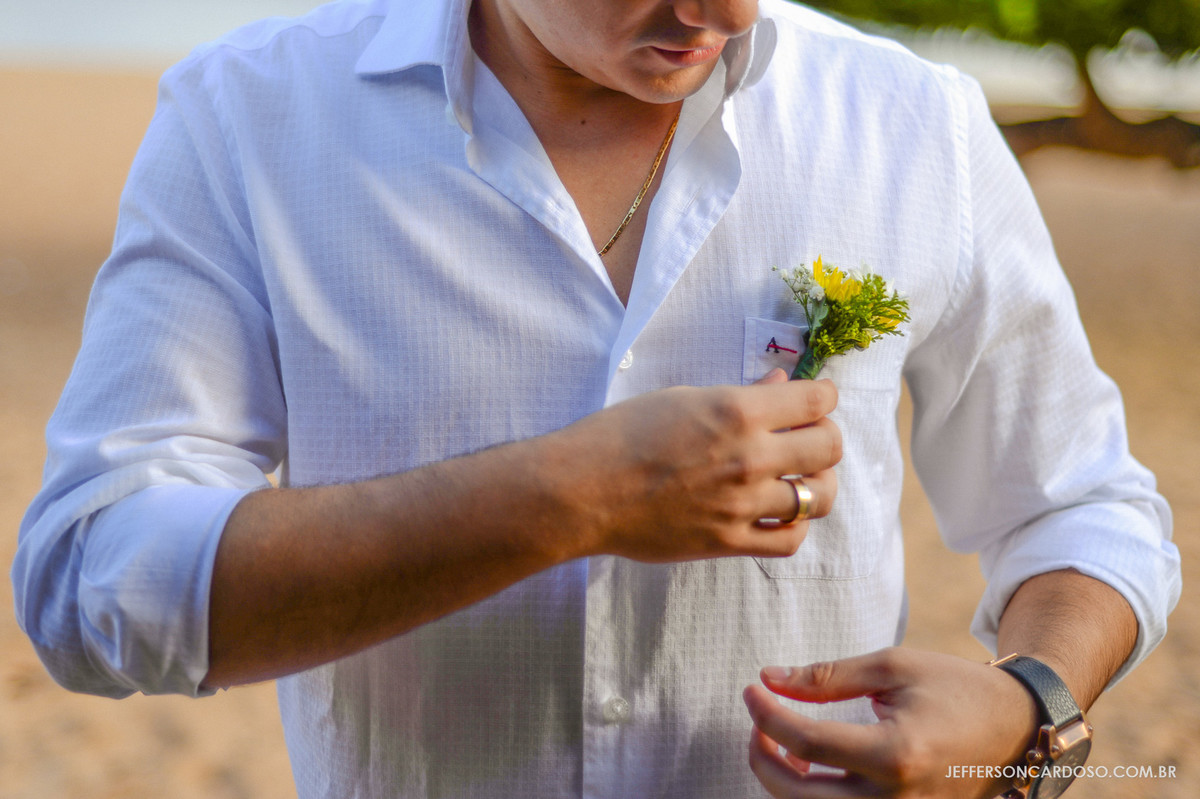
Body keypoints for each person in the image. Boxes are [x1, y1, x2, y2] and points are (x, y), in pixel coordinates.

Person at [12, 0, 1179, 797]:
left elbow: (1082, 506)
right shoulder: (247, 121)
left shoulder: (916, 123)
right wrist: (570, 495)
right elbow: (92, 579)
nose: (717, 13)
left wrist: (1026, 711)